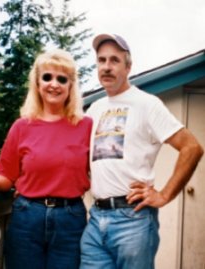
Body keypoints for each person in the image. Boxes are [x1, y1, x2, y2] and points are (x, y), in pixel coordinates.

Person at [0, 49, 92, 269]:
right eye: (47, 77)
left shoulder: (86, 126)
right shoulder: (22, 126)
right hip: (27, 218)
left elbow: (105, 166)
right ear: (37, 84)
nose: (54, 84)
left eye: (62, 79)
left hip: (70, 220)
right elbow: (6, 175)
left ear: (71, 86)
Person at [80, 33, 204, 269]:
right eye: (101, 60)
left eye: (114, 60)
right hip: (96, 219)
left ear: (128, 67)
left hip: (133, 219)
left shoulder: (147, 104)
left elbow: (192, 147)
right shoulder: (94, 108)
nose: (106, 67)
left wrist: (165, 195)